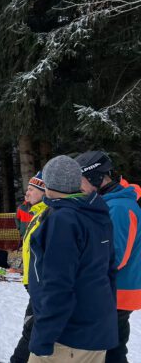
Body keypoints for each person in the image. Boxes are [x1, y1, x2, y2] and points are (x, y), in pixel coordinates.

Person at [28, 155, 117, 362]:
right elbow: (109, 273)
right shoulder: (95, 213)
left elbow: (58, 285)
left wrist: (43, 337)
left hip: (69, 336)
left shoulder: (63, 219)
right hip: (96, 330)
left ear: (48, 184)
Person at [76, 151, 141, 363]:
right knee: (110, 348)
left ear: (96, 178)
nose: (79, 188)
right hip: (113, 290)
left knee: (111, 350)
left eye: (82, 182)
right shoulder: (109, 203)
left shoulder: (120, 208)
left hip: (118, 292)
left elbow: (116, 256)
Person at [10, 171, 47, 363]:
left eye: (32, 190)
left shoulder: (46, 215)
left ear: (44, 192)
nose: (27, 194)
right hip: (33, 282)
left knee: (31, 328)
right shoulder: (35, 213)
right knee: (31, 327)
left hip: (42, 285)